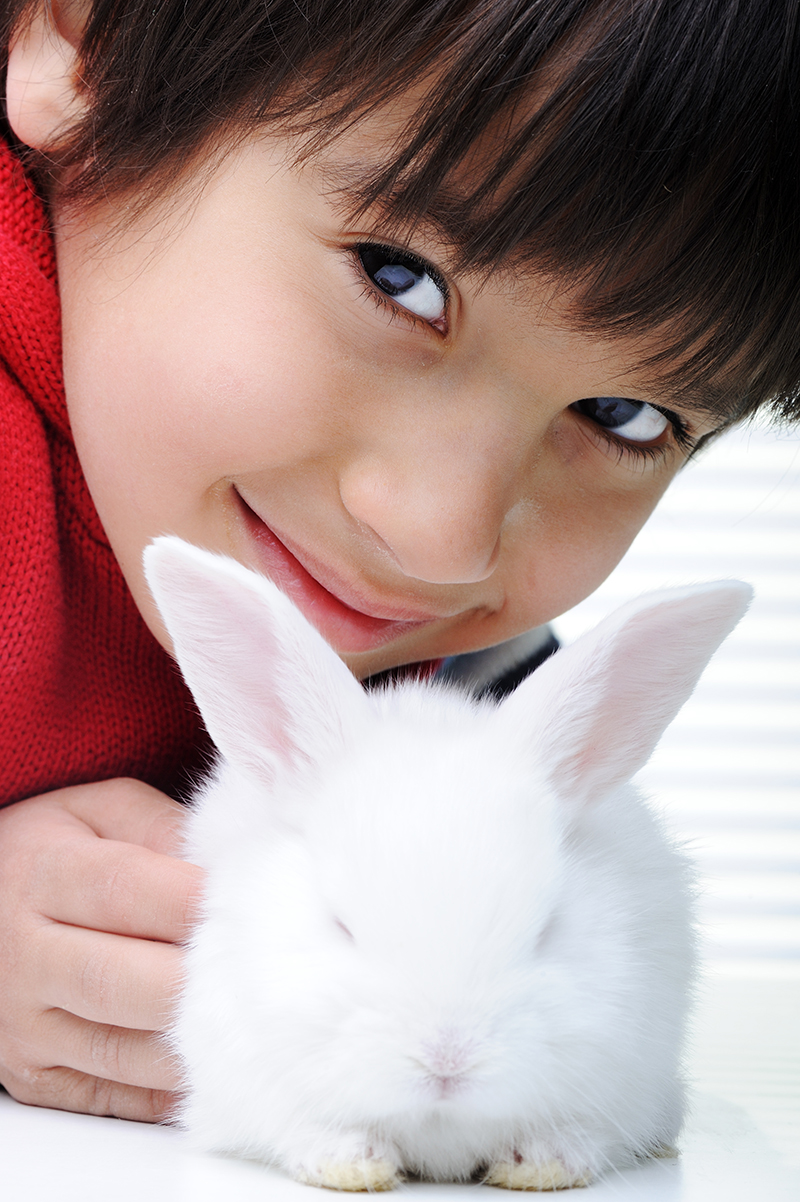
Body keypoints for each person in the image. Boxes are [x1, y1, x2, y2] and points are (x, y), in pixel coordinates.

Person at [0, 0, 797, 1125]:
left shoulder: (465, 679)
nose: (443, 537)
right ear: (80, 40)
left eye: (621, 414)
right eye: (398, 275)